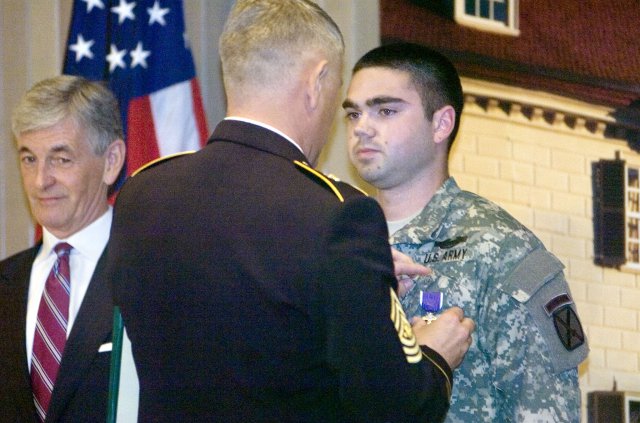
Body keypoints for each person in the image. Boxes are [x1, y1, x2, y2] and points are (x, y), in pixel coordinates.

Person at [105, 1, 474, 422]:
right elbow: (397, 406)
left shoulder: (141, 193)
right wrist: (435, 355)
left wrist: (357, 279)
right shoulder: (336, 215)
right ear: (316, 82)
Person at [343, 42, 589, 422]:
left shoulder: (505, 251)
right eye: (353, 113)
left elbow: (545, 411)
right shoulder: (339, 245)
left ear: (441, 124)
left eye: (386, 110)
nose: (362, 128)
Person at [0, 75, 126, 422]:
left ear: (111, 161)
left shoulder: (150, 275)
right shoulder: (5, 281)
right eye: (29, 159)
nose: (41, 181)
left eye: (61, 159)